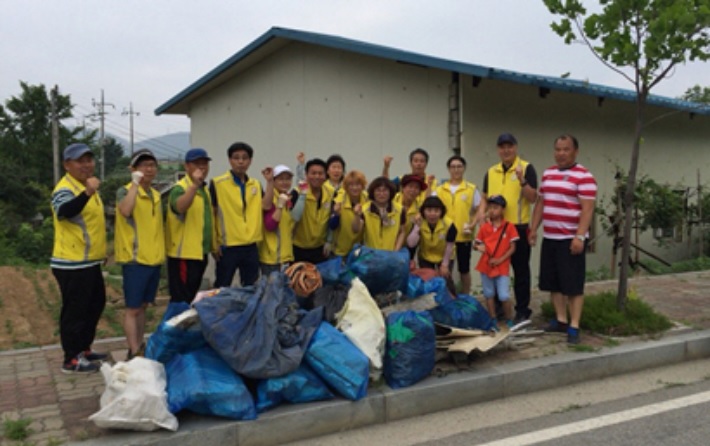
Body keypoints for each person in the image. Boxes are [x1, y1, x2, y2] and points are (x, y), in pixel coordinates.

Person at [529, 134, 597, 345]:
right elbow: (541, 203)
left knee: (573, 285)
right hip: (550, 237)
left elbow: (588, 210)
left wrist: (579, 236)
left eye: (566, 149)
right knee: (554, 283)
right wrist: (533, 229)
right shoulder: (548, 173)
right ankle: (560, 320)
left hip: (570, 239)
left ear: (575, 151)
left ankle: (574, 325)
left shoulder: (584, 176)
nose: (561, 154)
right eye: (558, 149)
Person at [51, 143, 108, 374]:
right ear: (67, 165)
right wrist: (87, 193)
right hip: (71, 263)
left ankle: (84, 349)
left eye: (89, 160)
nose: (87, 165)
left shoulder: (87, 187)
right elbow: (64, 211)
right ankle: (70, 359)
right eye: (80, 161)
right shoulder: (65, 188)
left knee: (95, 305)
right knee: (75, 311)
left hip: (90, 261)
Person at [478, 133, 538, 323]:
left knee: (520, 270)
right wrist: (481, 217)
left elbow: (533, 198)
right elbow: (485, 198)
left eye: (509, 146)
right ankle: (497, 308)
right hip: (494, 229)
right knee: (493, 268)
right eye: (502, 147)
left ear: (516, 147)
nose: (506, 150)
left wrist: (522, 180)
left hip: (517, 228)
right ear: (498, 150)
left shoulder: (526, 168)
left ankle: (522, 309)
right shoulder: (491, 171)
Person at [115, 149, 164, 359]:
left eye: (152, 165)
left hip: (153, 258)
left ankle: (138, 345)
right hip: (135, 259)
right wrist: (135, 184)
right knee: (133, 308)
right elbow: (125, 211)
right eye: (143, 165)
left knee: (143, 306)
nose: (149, 169)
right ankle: (133, 351)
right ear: (133, 169)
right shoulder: (124, 191)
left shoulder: (155, 194)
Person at [165, 148, 217, 304]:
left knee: (190, 296)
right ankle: (173, 327)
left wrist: (214, 245)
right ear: (187, 167)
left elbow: (208, 220)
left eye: (205, 164)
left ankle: (182, 326)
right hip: (184, 255)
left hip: (200, 253)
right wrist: (193, 186)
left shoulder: (204, 190)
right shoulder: (180, 188)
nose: (202, 168)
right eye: (197, 164)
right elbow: (180, 207)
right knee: (180, 298)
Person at [209, 142, 263, 287]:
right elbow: (212, 214)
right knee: (222, 286)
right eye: (236, 158)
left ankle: (246, 310)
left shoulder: (256, 185)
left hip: (250, 245)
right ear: (229, 160)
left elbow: (265, 207)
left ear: (250, 161)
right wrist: (214, 244)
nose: (240, 162)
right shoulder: (217, 183)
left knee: (251, 287)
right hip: (227, 247)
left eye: (245, 158)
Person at [436, 155, 482, 294]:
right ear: (449, 169)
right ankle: (447, 295)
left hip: (464, 236)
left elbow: (480, 208)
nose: (456, 170)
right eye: (453, 167)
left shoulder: (471, 189)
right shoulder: (440, 189)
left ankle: (466, 295)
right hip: (445, 236)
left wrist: (473, 224)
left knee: (464, 269)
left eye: (459, 166)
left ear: (464, 168)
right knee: (445, 269)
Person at [474, 195, 519, 328]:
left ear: (502, 209)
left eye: (496, 208)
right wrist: (478, 247)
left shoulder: (509, 227)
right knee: (489, 294)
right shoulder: (484, 228)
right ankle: (493, 318)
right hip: (486, 265)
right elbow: (476, 244)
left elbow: (513, 247)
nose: (492, 210)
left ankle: (508, 318)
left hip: (502, 266)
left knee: (504, 295)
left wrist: (500, 259)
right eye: (490, 208)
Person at [259, 164, 300, 275]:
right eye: (281, 179)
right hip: (272, 259)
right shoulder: (272, 198)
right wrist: (280, 206)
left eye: (288, 179)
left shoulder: (287, 198)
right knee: (272, 291)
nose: (285, 182)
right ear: (274, 181)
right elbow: (270, 225)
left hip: (285, 257)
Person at [292, 158, 333, 264]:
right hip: (297, 248)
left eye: (320, 173)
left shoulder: (331, 193)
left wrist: (329, 241)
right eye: (313, 173)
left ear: (326, 175)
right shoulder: (297, 192)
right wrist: (302, 196)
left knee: (318, 279)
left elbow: (332, 218)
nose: (317, 177)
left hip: (320, 248)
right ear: (306, 175)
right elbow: (294, 217)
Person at [407, 196, 458, 280]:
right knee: (428, 281)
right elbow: (411, 244)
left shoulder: (449, 225)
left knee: (445, 280)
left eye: (436, 211)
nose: (432, 214)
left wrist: (444, 265)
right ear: (423, 211)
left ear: (441, 212)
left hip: (445, 256)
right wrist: (417, 227)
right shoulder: (419, 222)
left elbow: (449, 246)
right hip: (425, 256)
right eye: (429, 210)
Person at [352, 176, 406, 251]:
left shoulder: (400, 209)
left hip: (391, 255)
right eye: (378, 190)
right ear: (372, 192)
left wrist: (396, 251)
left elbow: (402, 232)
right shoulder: (365, 209)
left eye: (385, 190)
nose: (381, 194)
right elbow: (356, 230)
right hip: (371, 255)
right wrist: (356, 215)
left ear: (390, 192)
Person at [329, 170, 368, 257]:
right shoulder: (338, 200)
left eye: (358, 185)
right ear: (346, 187)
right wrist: (336, 215)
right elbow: (332, 226)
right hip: (340, 251)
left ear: (363, 186)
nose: (355, 188)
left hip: (359, 251)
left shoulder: (367, 200)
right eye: (351, 185)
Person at [394, 174, 427, 261]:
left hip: (406, 248)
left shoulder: (420, 209)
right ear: (403, 188)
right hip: (387, 245)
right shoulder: (392, 200)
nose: (413, 190)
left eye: (416, 188)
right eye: (410, 186)